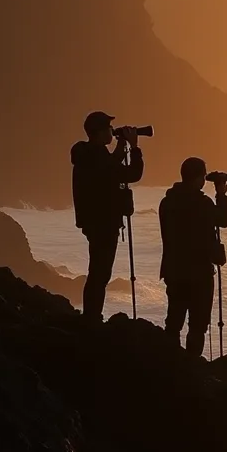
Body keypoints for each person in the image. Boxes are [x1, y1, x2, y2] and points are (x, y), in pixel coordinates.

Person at [71, 111, 144, 321]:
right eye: (109, 129)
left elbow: (110, 169)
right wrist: (135, 148)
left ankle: (92, 315)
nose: (113, 132)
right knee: (100, 274)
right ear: (100, 132)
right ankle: (92, 318)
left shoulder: (87, 155)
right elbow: (131, 174)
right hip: (103, 222)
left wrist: (120, 149)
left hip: (95, 222)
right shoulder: (96, 157)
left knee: (98, 272)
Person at [158, 157, 227, 357]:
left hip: (174, 269)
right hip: (199, 273)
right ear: (199, 177)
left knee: (174, 319)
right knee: (198, 324)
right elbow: (223, 220)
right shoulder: (202, 203)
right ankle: (191, 365)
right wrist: (221, 194)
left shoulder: (167, 202)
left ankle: (169, 360)